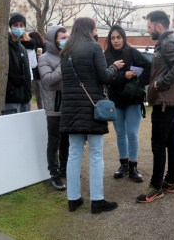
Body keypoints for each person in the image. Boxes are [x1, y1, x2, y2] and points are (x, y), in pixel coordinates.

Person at [60, 17, 124, 213]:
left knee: (73, 154)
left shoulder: (65, 51)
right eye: (95, 28)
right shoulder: (94, 47)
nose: (97, 31)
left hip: (71, 108)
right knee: (96, 154)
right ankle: (97, 200)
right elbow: (103, 76)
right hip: (91, 106)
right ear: (90, 29)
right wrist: (115, 67)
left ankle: (73, 199)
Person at [136, 10, 174, 203]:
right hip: (169, 102)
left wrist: (161, 83)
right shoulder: (167, 41)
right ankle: (170, 182)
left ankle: (156, 187)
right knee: (171, 141)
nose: (148, 30)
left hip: (166, 102)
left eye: (149, 26)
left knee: (158, 145)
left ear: (158, 26)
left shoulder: (168, 42)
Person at [104, 25, 151, 182]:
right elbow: (107, 79)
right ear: (109, 40)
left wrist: (139, 82)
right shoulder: (106, 55)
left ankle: (133, 167)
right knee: (120, 133)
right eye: (113, 38)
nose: (116, 40)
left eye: (118, 37)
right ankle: (123, 165)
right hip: (116, 100)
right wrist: (124, 75)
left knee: (132, 133)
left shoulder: (132, 52)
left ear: (123, 38)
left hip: (133, 99)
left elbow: (149, 67)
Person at [38, 25, 69, 191]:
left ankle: (65, 168)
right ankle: (54, 174)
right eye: (62, 37)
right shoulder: (44, 58)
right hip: (53, 106)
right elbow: (48, 80)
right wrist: (64, 62)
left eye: (67, 36)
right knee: (54, 141)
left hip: (69, 105)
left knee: (67, 140)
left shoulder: (70, 56)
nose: (65, 39)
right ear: (53, 40)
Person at [5, 12, 32, 114]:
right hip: (11, 97)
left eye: (21, 25)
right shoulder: (5, 46)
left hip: (25, 96)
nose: (18, 28)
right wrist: (10, 90)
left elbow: (27, 72)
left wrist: (28, 93)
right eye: (15, 25)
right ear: (10, 26)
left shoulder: (22, 48)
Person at [29, 31, 46, 110]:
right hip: (34, 74)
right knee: (37, 95)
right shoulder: (30, 47)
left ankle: (45, 109)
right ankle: (40, 110)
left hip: (41, 74)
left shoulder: (43, 46)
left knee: (43, 94)